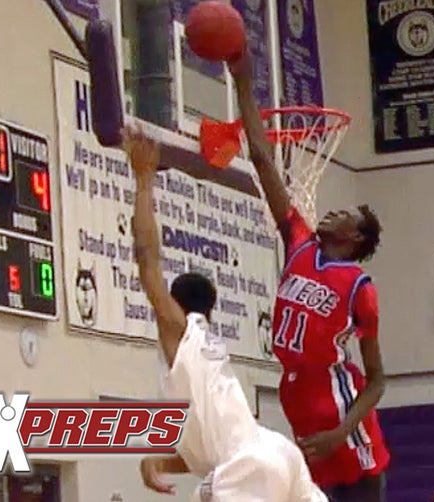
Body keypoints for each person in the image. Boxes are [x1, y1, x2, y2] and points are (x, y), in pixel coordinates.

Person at [123, 126, 327, 502]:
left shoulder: (181, 332)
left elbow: (147, 261)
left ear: (176, 304)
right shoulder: (208, 351)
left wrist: (143, 179)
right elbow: (206, 455)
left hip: (245, 464)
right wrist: (161, 461)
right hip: (277, 452)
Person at [228, 49, 390, 502]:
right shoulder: (298, 242)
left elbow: (376, 379)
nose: (331, 210)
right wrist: (243, 80)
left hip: (344, 421)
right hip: (297, 399)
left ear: (355, 237)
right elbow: (262, 157)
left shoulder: (359, 287)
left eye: (344, 213)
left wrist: (342, 432)